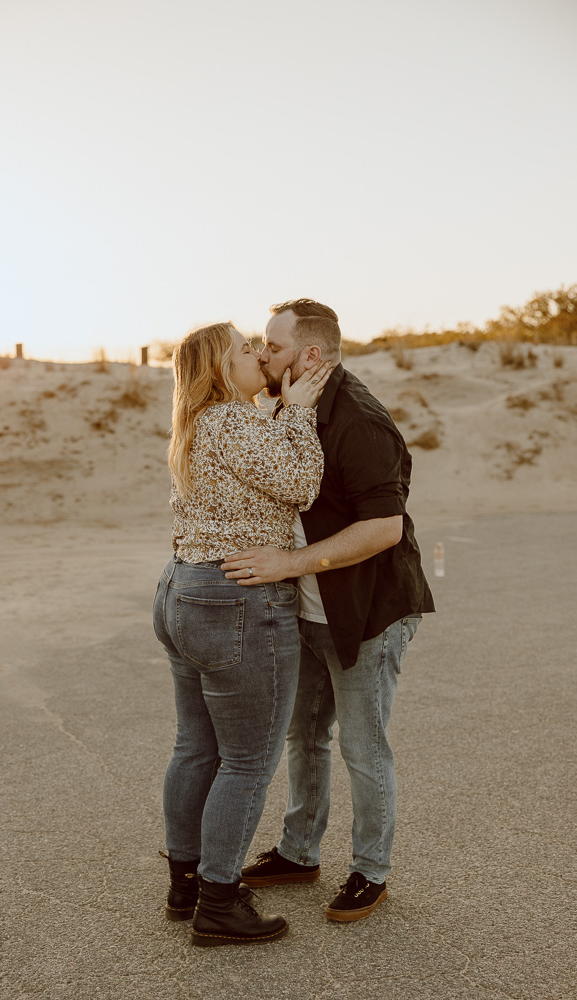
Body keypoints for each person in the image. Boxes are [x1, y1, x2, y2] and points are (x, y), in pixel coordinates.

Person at [221, 299, 435, 922]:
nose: (263, 355)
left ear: (310, 355)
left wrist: (286, 565)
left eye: (274, 346)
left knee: (363, 748)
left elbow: (384, 529)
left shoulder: (361, 422)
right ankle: (299, 852)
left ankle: (371, 870)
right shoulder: (293, 402)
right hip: (308, 608)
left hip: (367, 610)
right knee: (305, 735)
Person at [153, 321, 331, 946]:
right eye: (245, 349)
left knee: (195, 748)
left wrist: (277, 414)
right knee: (248, 759)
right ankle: (220, 903)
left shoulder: (200, 423)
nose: (259, 354)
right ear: (221, 369)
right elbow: (302, 485)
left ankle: (185, 883)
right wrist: (299, 411)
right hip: (237, 601)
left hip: (183, 590)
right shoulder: (233, 421)